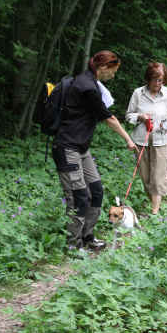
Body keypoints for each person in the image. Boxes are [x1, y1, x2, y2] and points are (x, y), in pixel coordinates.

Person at [52, 50, 136, 250]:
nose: (113, 76)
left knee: (96, 191)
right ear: (103, 67)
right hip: (67, 147)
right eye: (113, 71)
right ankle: (74, 244)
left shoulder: (91, 82)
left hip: (81, 148)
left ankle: (87, 236)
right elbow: (109, 118)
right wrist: (128, 139)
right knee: (78, 196)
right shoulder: (87, 86)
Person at [126, 62, 167, 214]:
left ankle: (154, 212)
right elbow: (129, 115)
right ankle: (155, 205)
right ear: (148, 79)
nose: (157, 83)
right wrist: (140, 117)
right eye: (154, 79)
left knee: (158, 177)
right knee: (146, 178)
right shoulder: (138, 93)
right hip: (141, 140)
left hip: (161, 141)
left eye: (160, 80)